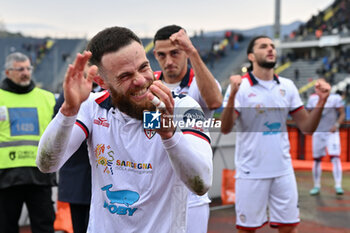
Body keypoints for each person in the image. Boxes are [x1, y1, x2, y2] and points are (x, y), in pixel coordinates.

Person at [36, 26, 213, 233]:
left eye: (144, 67)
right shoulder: (92, 106)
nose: (140, 80)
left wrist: (169, 135)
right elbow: (47, 164)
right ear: (102, 82)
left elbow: (201, 184)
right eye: (125, 76)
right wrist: (68, 110)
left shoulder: (182, 106)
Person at [220, 35, 330, 233]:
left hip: (283, 170)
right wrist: (233, 97)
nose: (271, 49)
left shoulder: (287, 86)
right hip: (251, 172)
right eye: (264, 46)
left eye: (272, 46)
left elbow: (307, 127)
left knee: (289, 228)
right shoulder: (240, 87)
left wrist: (322, 101)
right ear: (251, 56)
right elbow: (226, 128)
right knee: (247, 229)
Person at [153, 24, 222, 233]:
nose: (169, 61)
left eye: (175, 53)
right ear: (155, 55)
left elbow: (215, 102)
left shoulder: (198, 83)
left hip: (191, 192)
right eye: (162, 55)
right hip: (156, 190)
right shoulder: (150, 86)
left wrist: (193, 53)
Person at [0, 52, 56, 233]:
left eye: (28, 68)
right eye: (20, 69)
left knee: (44, 226)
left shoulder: (47, 98)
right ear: (8, 72)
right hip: (6, 177)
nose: (25, 72)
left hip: (39, 174)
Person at [307, 90, 345, 195]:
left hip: (331, 132)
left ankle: (338, 185)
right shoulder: (312, 99)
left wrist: (336, 125)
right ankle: (316, 186)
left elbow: (342, 113)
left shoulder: (334, 98)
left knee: (335, 158)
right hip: (318, 132)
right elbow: (308, 114)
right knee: (317, 160)